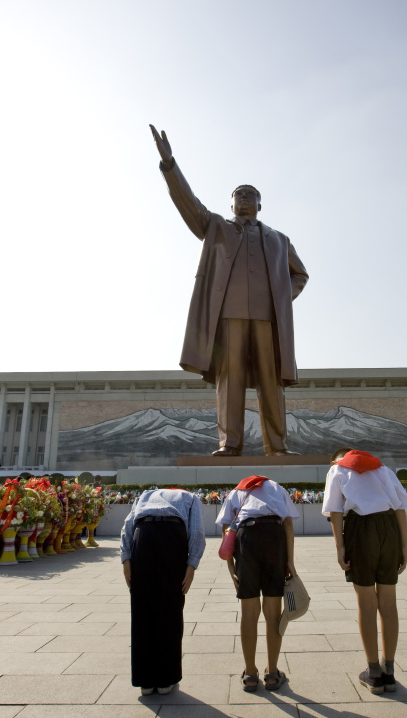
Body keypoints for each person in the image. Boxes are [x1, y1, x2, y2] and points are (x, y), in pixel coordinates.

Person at [149, 125, 309, 457]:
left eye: (250, 194)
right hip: (229, 316)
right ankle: (230, 444)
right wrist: (170, 165)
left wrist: (282, 297)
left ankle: (277, 447)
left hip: (267, 319)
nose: (244, 197)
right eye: (239, 194)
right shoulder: (217, 228)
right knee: (229, 381)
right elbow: (189, 205)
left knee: (271, 382)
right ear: (232, 203)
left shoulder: (279, 240)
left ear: (260, 205)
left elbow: (300, 275)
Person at [322, 448, 407, 695]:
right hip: (388, 528)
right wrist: (404, 545)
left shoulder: (338, 470)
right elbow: (400, 506)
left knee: (366, 602)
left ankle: (374, 673)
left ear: (337, 459)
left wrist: (339, 546)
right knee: (389, 602)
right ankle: (390, 672)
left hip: (360, 530)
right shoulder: (382, 469)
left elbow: (336, 510)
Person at [216, 475, 299, 692]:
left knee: (249, 611)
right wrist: (290, 560)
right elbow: (288, 522)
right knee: (273, 612)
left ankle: (250, 674)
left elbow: (227, 527)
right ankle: (272, 674)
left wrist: (230, 565)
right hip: (274, 538)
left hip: (246, 540)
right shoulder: (277, 488)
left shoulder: (237, 491)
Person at [120, 488, 205, 697]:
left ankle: (145, 681)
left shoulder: (144, 496)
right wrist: (191, 564)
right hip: (172, 538)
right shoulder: (191, 498)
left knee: (142, 609)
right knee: (170, 609)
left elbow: (128, 527)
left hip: (144, 536)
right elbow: (196, 532)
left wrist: (126, 559)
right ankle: (166, 680)